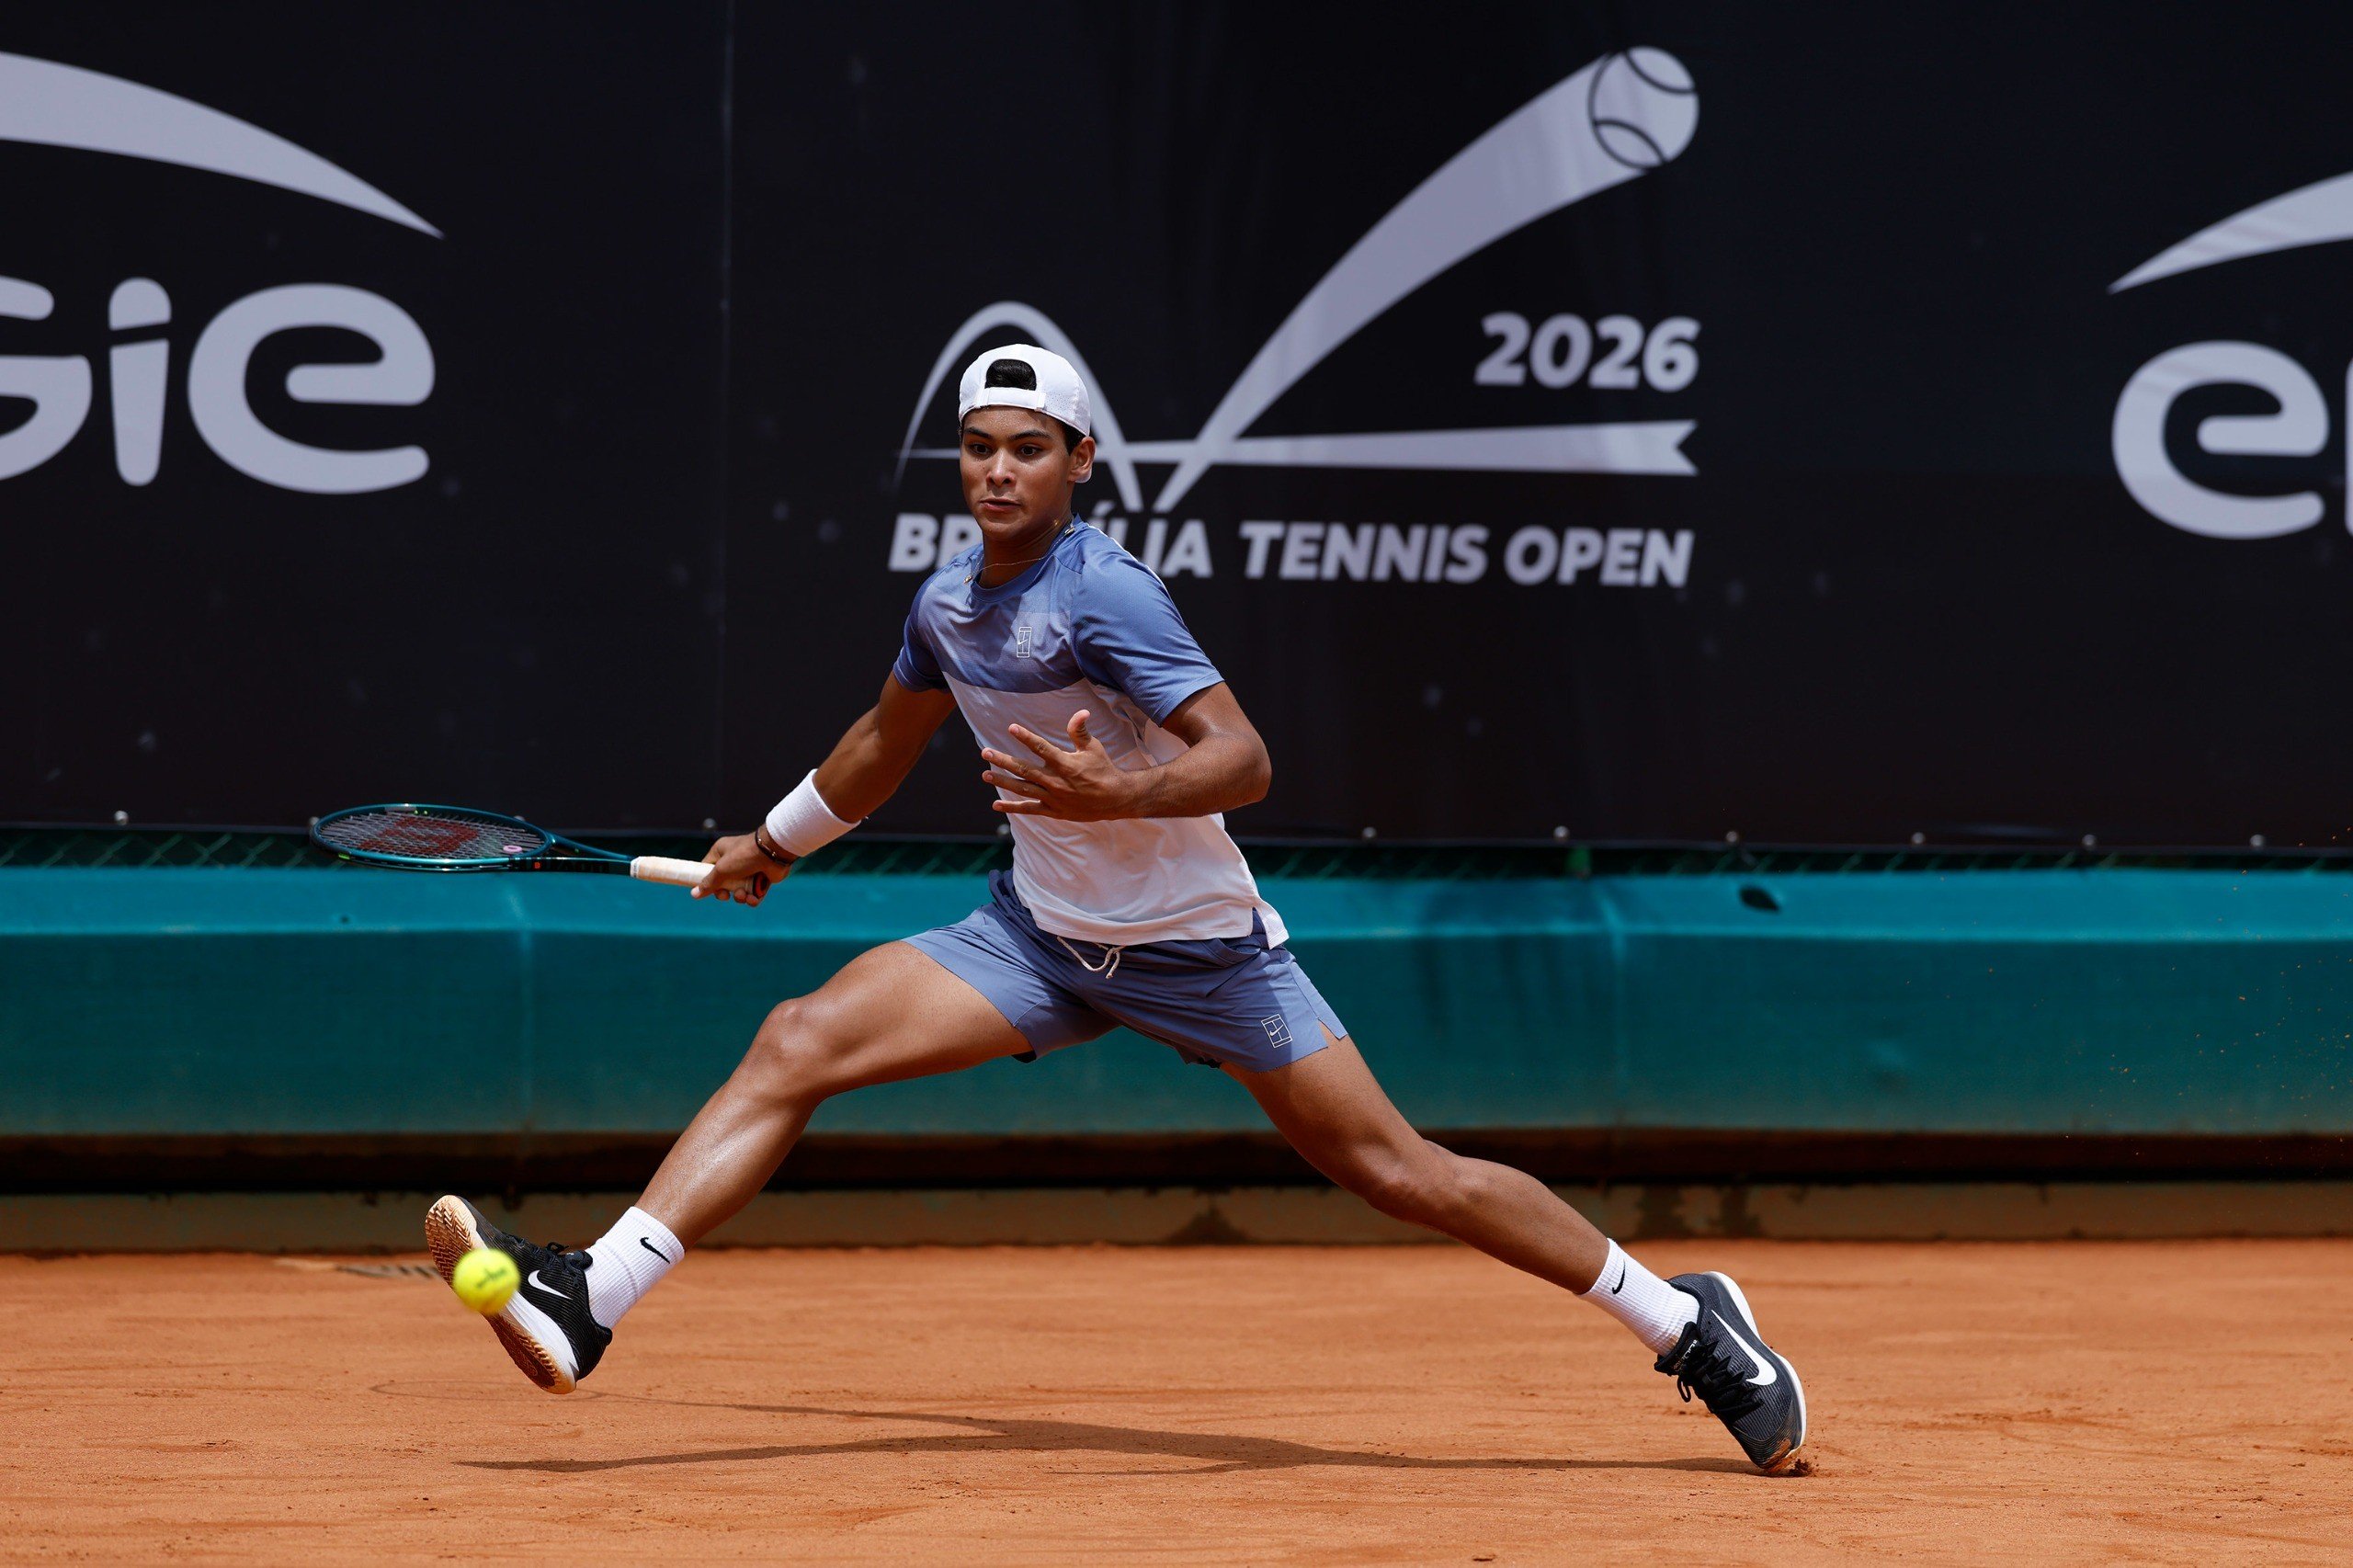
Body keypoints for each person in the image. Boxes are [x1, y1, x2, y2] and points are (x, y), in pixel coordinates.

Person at [426, 344, 1806, 1473]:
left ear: (1079, 465)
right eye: (980, 446)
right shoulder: (949, 601)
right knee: (800, 1037)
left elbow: (1245, 757)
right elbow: (880, 743)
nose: (1001, 470)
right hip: (1037, 941)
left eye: (1030, 447)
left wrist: (1119, 795)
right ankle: (590, 1299)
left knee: (1400, 1171)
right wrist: (770, 846)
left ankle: (1687, 1320)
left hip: (1203, 954)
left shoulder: (1107, 595)